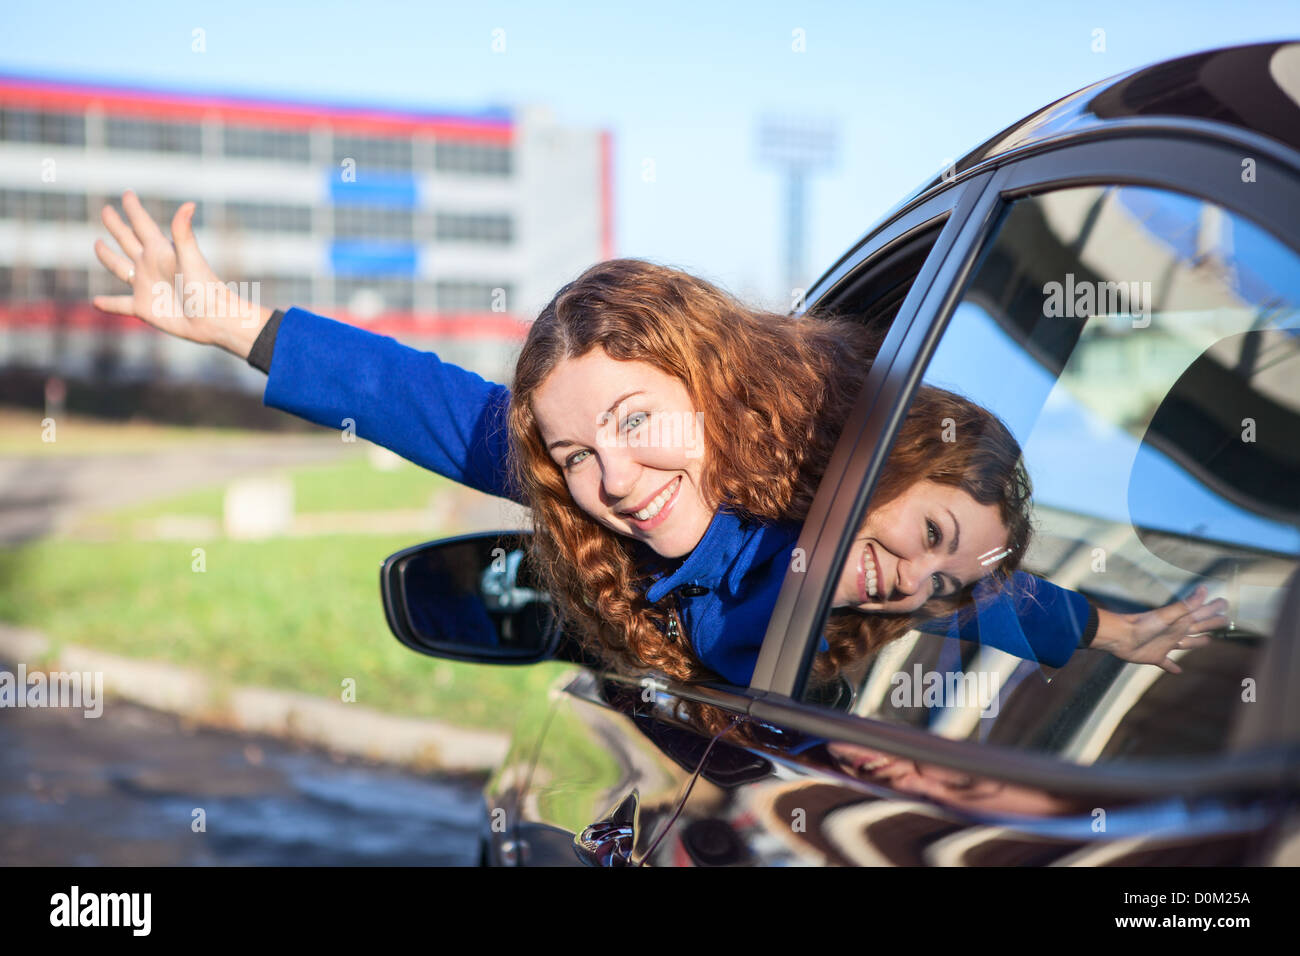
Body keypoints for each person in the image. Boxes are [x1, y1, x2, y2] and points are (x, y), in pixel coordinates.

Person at [91, 192, 1225, 689]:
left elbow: (994, 593)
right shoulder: (595, 474)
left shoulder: (891, 553)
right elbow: (425, 402)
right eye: (579, 448)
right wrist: (234, 323)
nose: (613, 480)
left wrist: (1113, 628)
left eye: (635, 423)